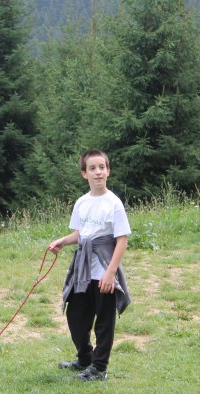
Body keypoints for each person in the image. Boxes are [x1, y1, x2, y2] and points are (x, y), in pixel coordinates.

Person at [48, 149, 131, 381]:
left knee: (104, 321)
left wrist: (110, 273)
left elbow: (122, 240)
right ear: (84, 174)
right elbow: (80, 233)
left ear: (108, 171)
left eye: (102, 167)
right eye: (92, 168)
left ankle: (99, 368)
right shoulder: (82, 203)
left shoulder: (113, 203)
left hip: (104, 268)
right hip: (83, 269)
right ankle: (85, 358)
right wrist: (62, 241)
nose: (98, 172)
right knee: (75, 315)